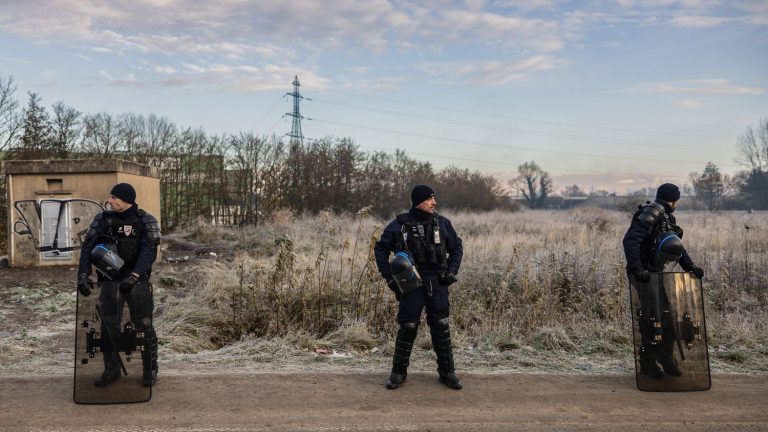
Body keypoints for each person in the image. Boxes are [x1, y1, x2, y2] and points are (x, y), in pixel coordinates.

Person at [374, 184, 464, 390]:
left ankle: (447, 372)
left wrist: (452, 271)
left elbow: (457, 247)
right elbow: (380, 249)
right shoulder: (400, 225)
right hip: (411, 283)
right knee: (408, 327)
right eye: (430, 199)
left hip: (438, 282)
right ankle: (398, 373)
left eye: (434, 198)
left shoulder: (443, 223)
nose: (434, 202)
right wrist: (390, 278)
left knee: (441, 326)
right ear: (418, 201)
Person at [76, 183, 161, 387]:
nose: (110, 201)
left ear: (126, 200)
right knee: (108, 326)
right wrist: (83, 274)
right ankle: (111, 369)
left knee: (144, 325)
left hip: (137, 282)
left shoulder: (145, 220)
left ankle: (150, 368)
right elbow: (88, 247)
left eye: (114, 197)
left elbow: (149, 251)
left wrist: (134, 275)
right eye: (111, 197)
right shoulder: (103, 219)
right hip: (109, 282)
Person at [622, 183, 704, 379]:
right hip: (644, 275)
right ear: (675, 200)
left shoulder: (666, 217)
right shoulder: (652, 213)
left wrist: (690, 267)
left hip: (655, 274)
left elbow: (676, 246)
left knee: (666, 316)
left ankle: (666, 358)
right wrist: (638, 268)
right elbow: (630, 241)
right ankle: (648, 363)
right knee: (652, 318)